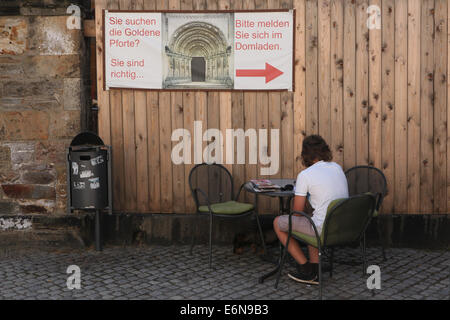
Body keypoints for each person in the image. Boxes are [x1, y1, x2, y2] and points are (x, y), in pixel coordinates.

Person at [273, 135, 349, 284]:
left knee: (278, 222)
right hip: (341, 227)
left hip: (322, 228)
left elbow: (296, 212)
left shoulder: (305, 175)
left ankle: (306, 267)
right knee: (312, 217)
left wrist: (302, 195)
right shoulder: (337, 167)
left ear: (305, 154)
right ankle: (316, 267)